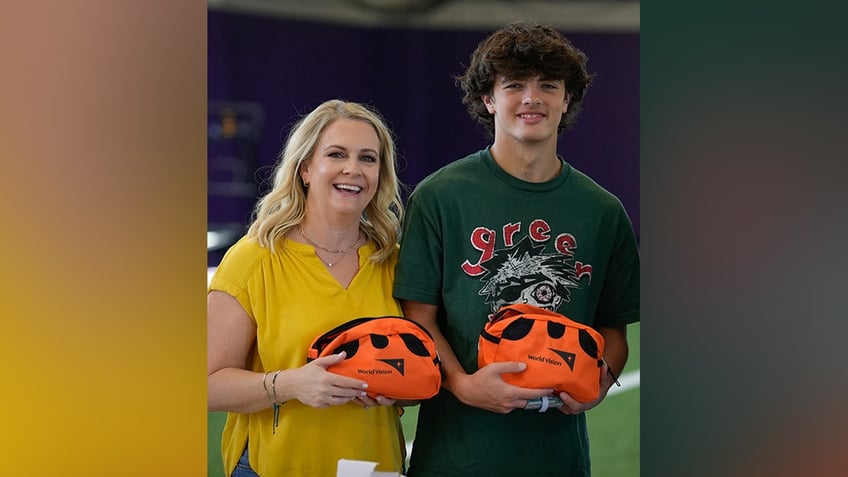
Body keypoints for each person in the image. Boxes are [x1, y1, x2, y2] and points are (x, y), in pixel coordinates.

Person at [393, 22, 640, 476]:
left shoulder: (602, 211)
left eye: (548, 85)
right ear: (488, 99)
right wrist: (463, 385)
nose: (532, 97)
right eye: (514, 85)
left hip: (558, 459)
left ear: (566, 100)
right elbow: (417, 317)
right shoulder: (440, 196)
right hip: (455, 457)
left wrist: (599, 382)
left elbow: (614, 330)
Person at [208, 99, 408, 477]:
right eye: (336, 154)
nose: (353, 169)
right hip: (274, 467)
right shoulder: (254, 259)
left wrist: (400, 387)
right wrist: (292, 384)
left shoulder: (394, 261)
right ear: (305, 169)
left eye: (368, 158)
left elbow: (417, 370)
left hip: (375, 466)